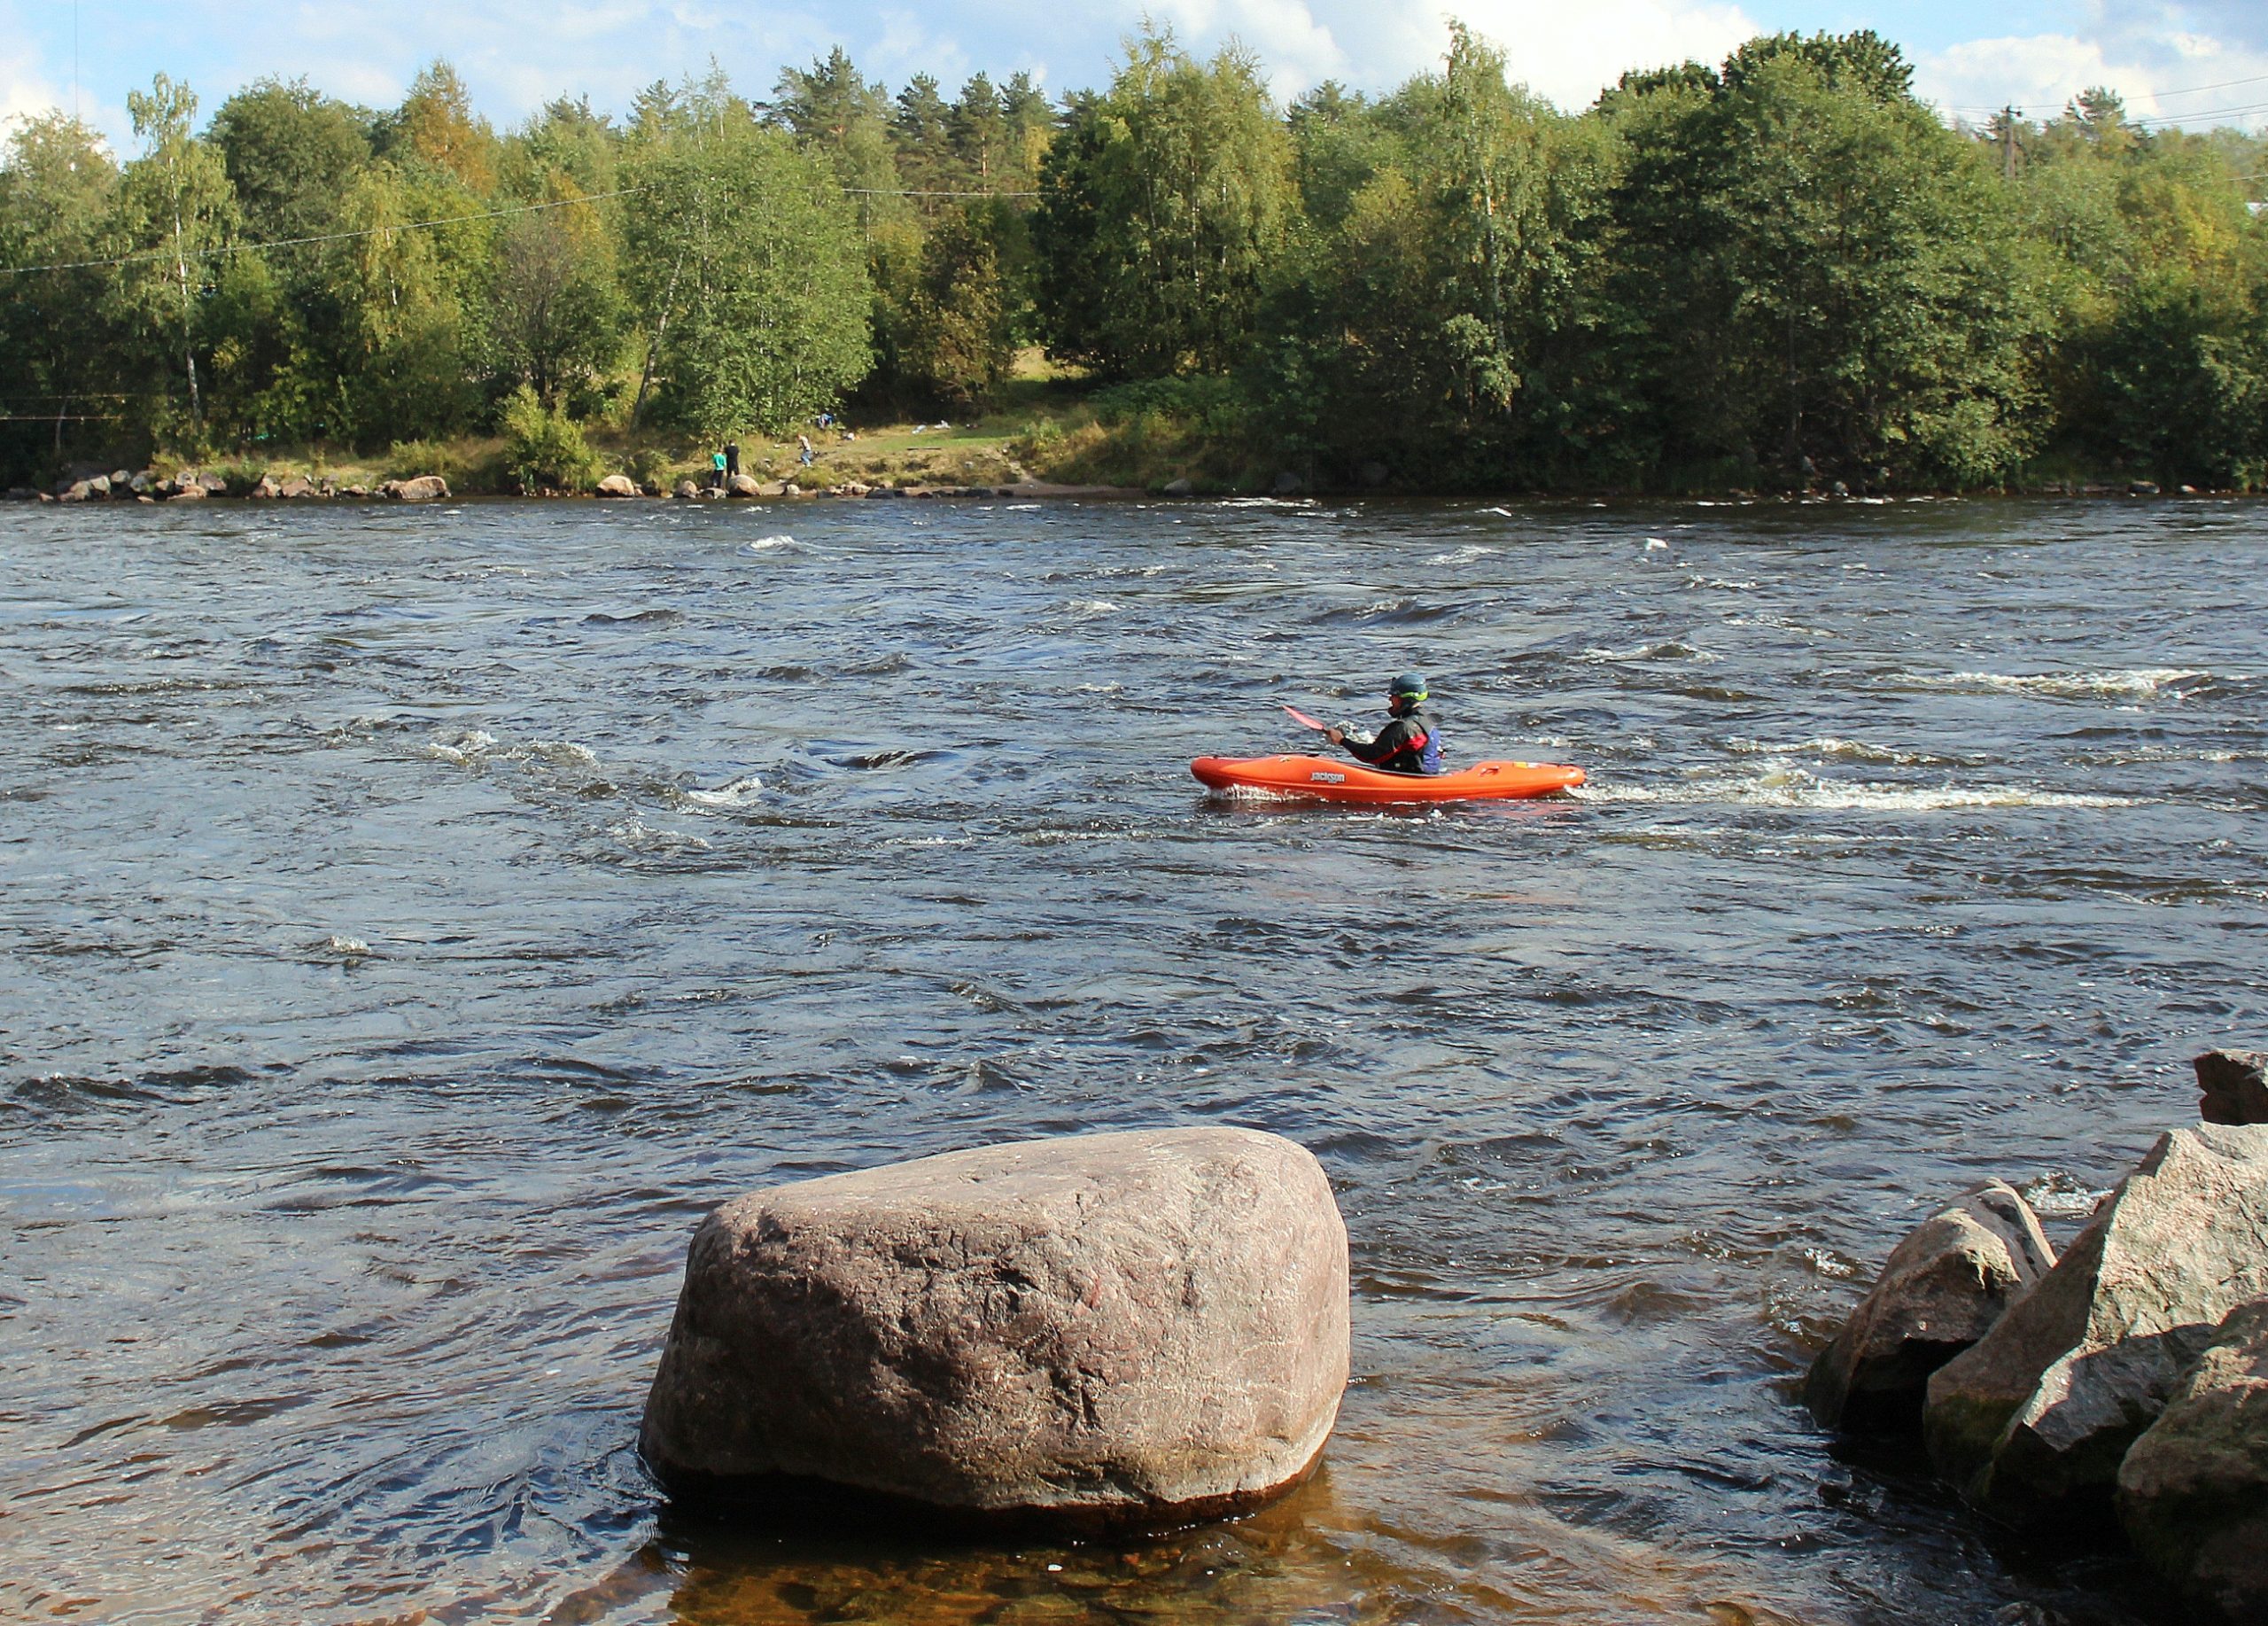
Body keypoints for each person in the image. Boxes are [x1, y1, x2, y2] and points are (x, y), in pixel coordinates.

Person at [1324, 673, 1443, 774]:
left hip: (1407, 780)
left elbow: (1371, 755)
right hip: (1427, 776)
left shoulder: (1403, 727)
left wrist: (1342, 740)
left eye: (1394, 696)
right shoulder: (1428, 721)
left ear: (1405, 699)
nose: (1390, 699)